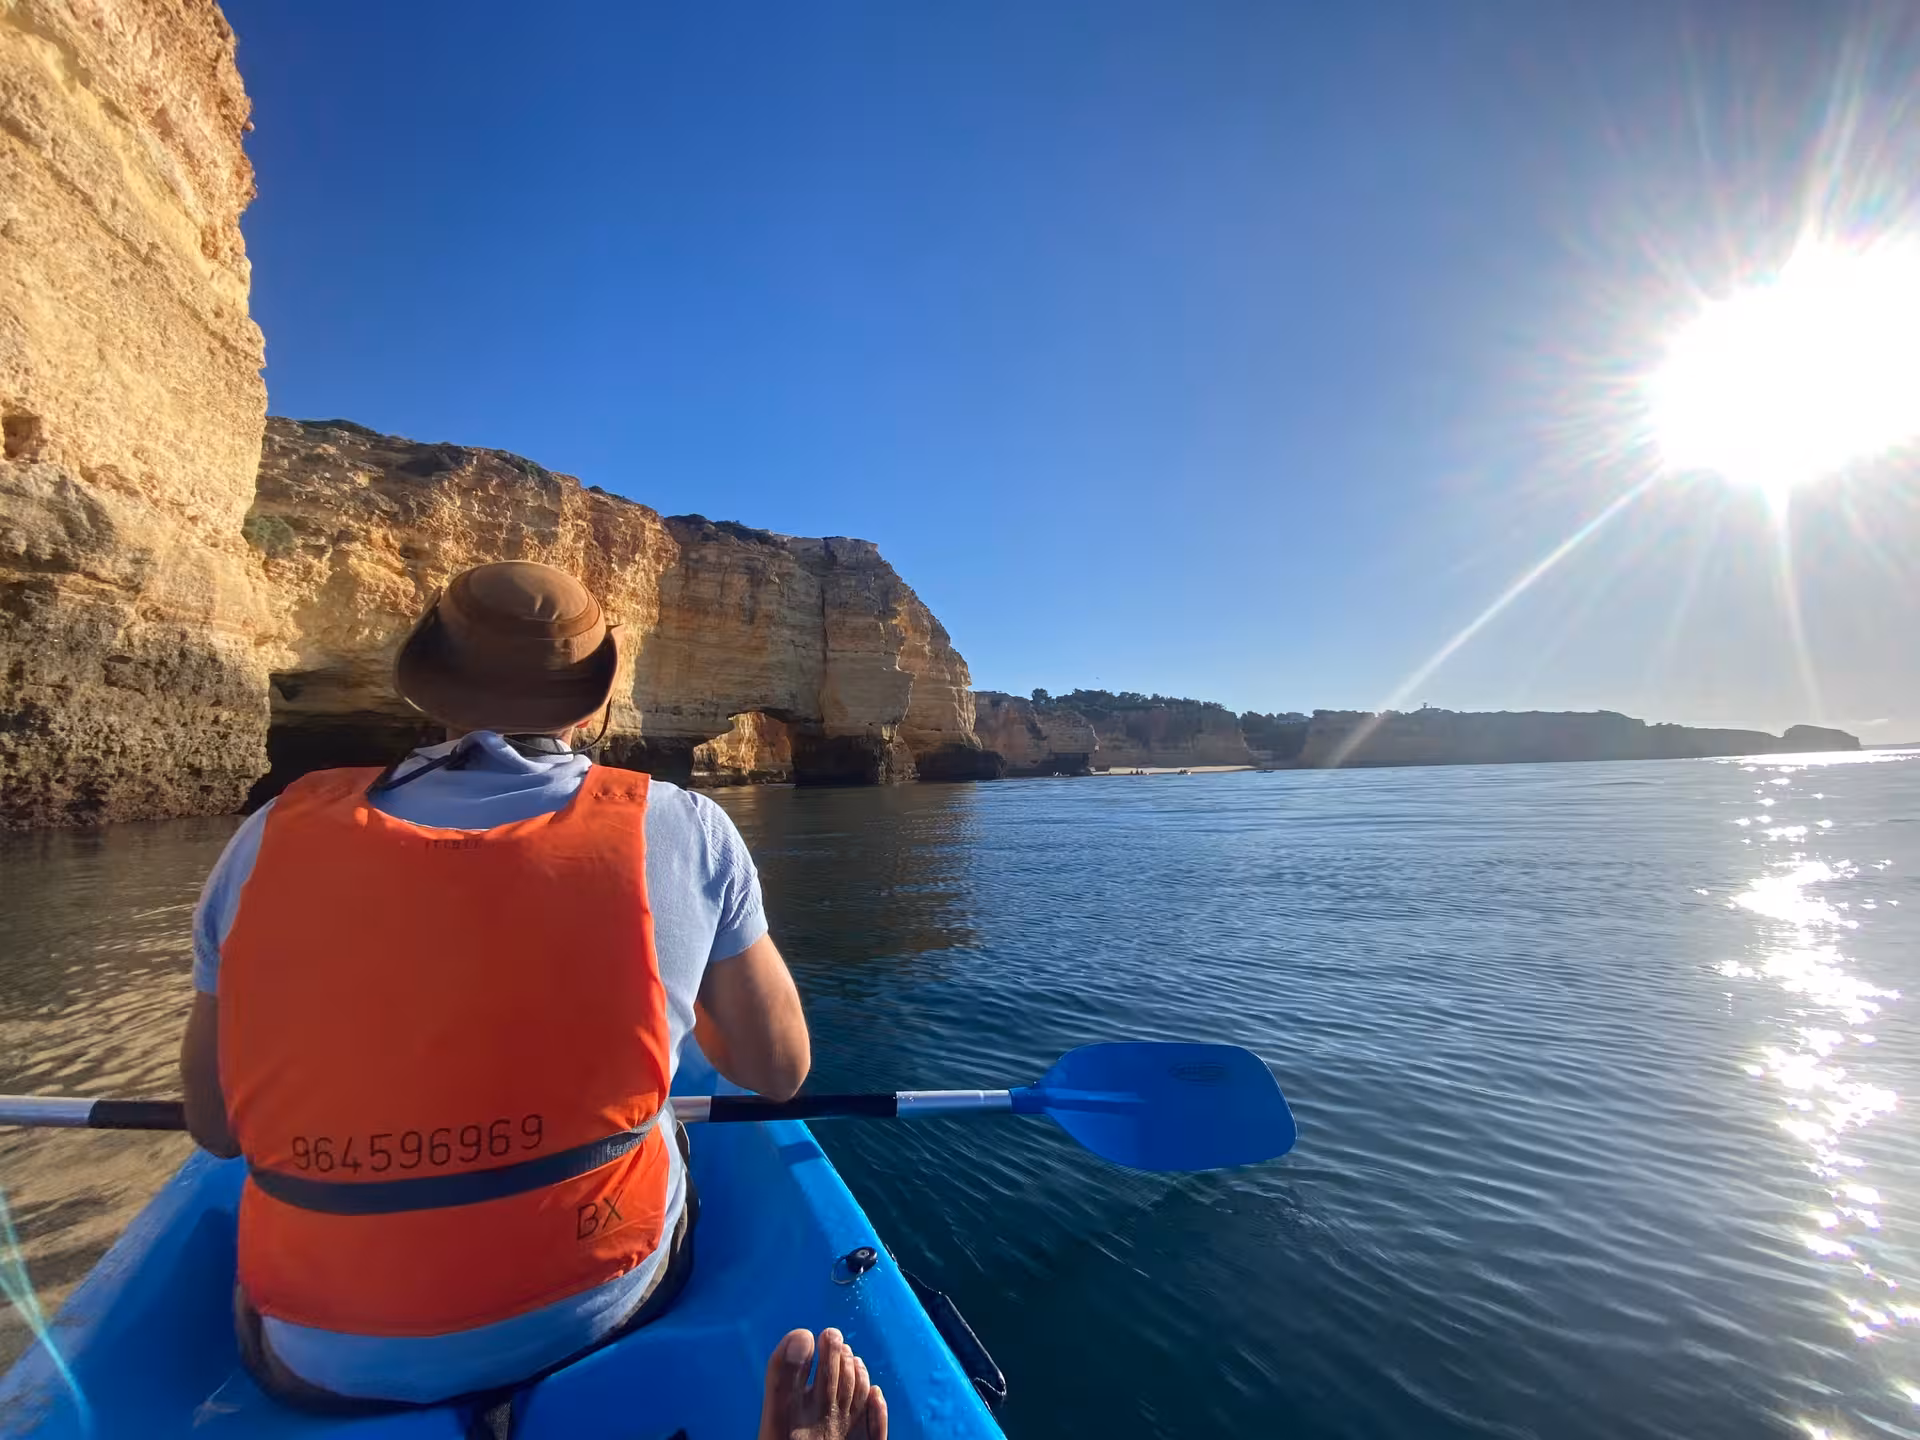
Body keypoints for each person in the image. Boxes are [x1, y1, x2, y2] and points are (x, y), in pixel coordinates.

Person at [178, 560, 814, 1416]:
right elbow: (779, 1071)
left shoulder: (265, 839)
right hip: (595, 1306)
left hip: (326, 1355)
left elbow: (217, 1130)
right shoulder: (687, 827)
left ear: (433, 694)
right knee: (664, 1124)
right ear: (590, 705)